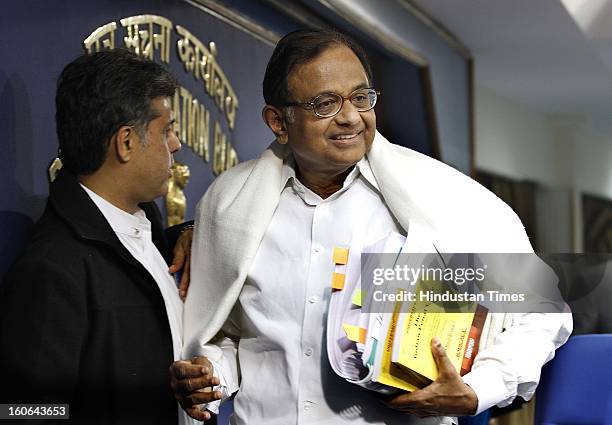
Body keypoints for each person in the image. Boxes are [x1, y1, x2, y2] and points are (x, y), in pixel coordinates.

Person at [171, 30, 572, 424]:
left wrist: (480, 390)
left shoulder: (441, 198)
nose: (350, 117)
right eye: (325, 103)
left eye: (361, 97)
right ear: (278, 121)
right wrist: (212, 374)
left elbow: (542, 311)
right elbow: (228, 333)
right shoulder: (229, 206)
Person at [0, 49, 197, 424]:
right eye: (166, 130)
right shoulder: (52, 270)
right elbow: (23, 413)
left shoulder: (147, 227)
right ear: (125, 142)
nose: (175, 145)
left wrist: (189, 233)